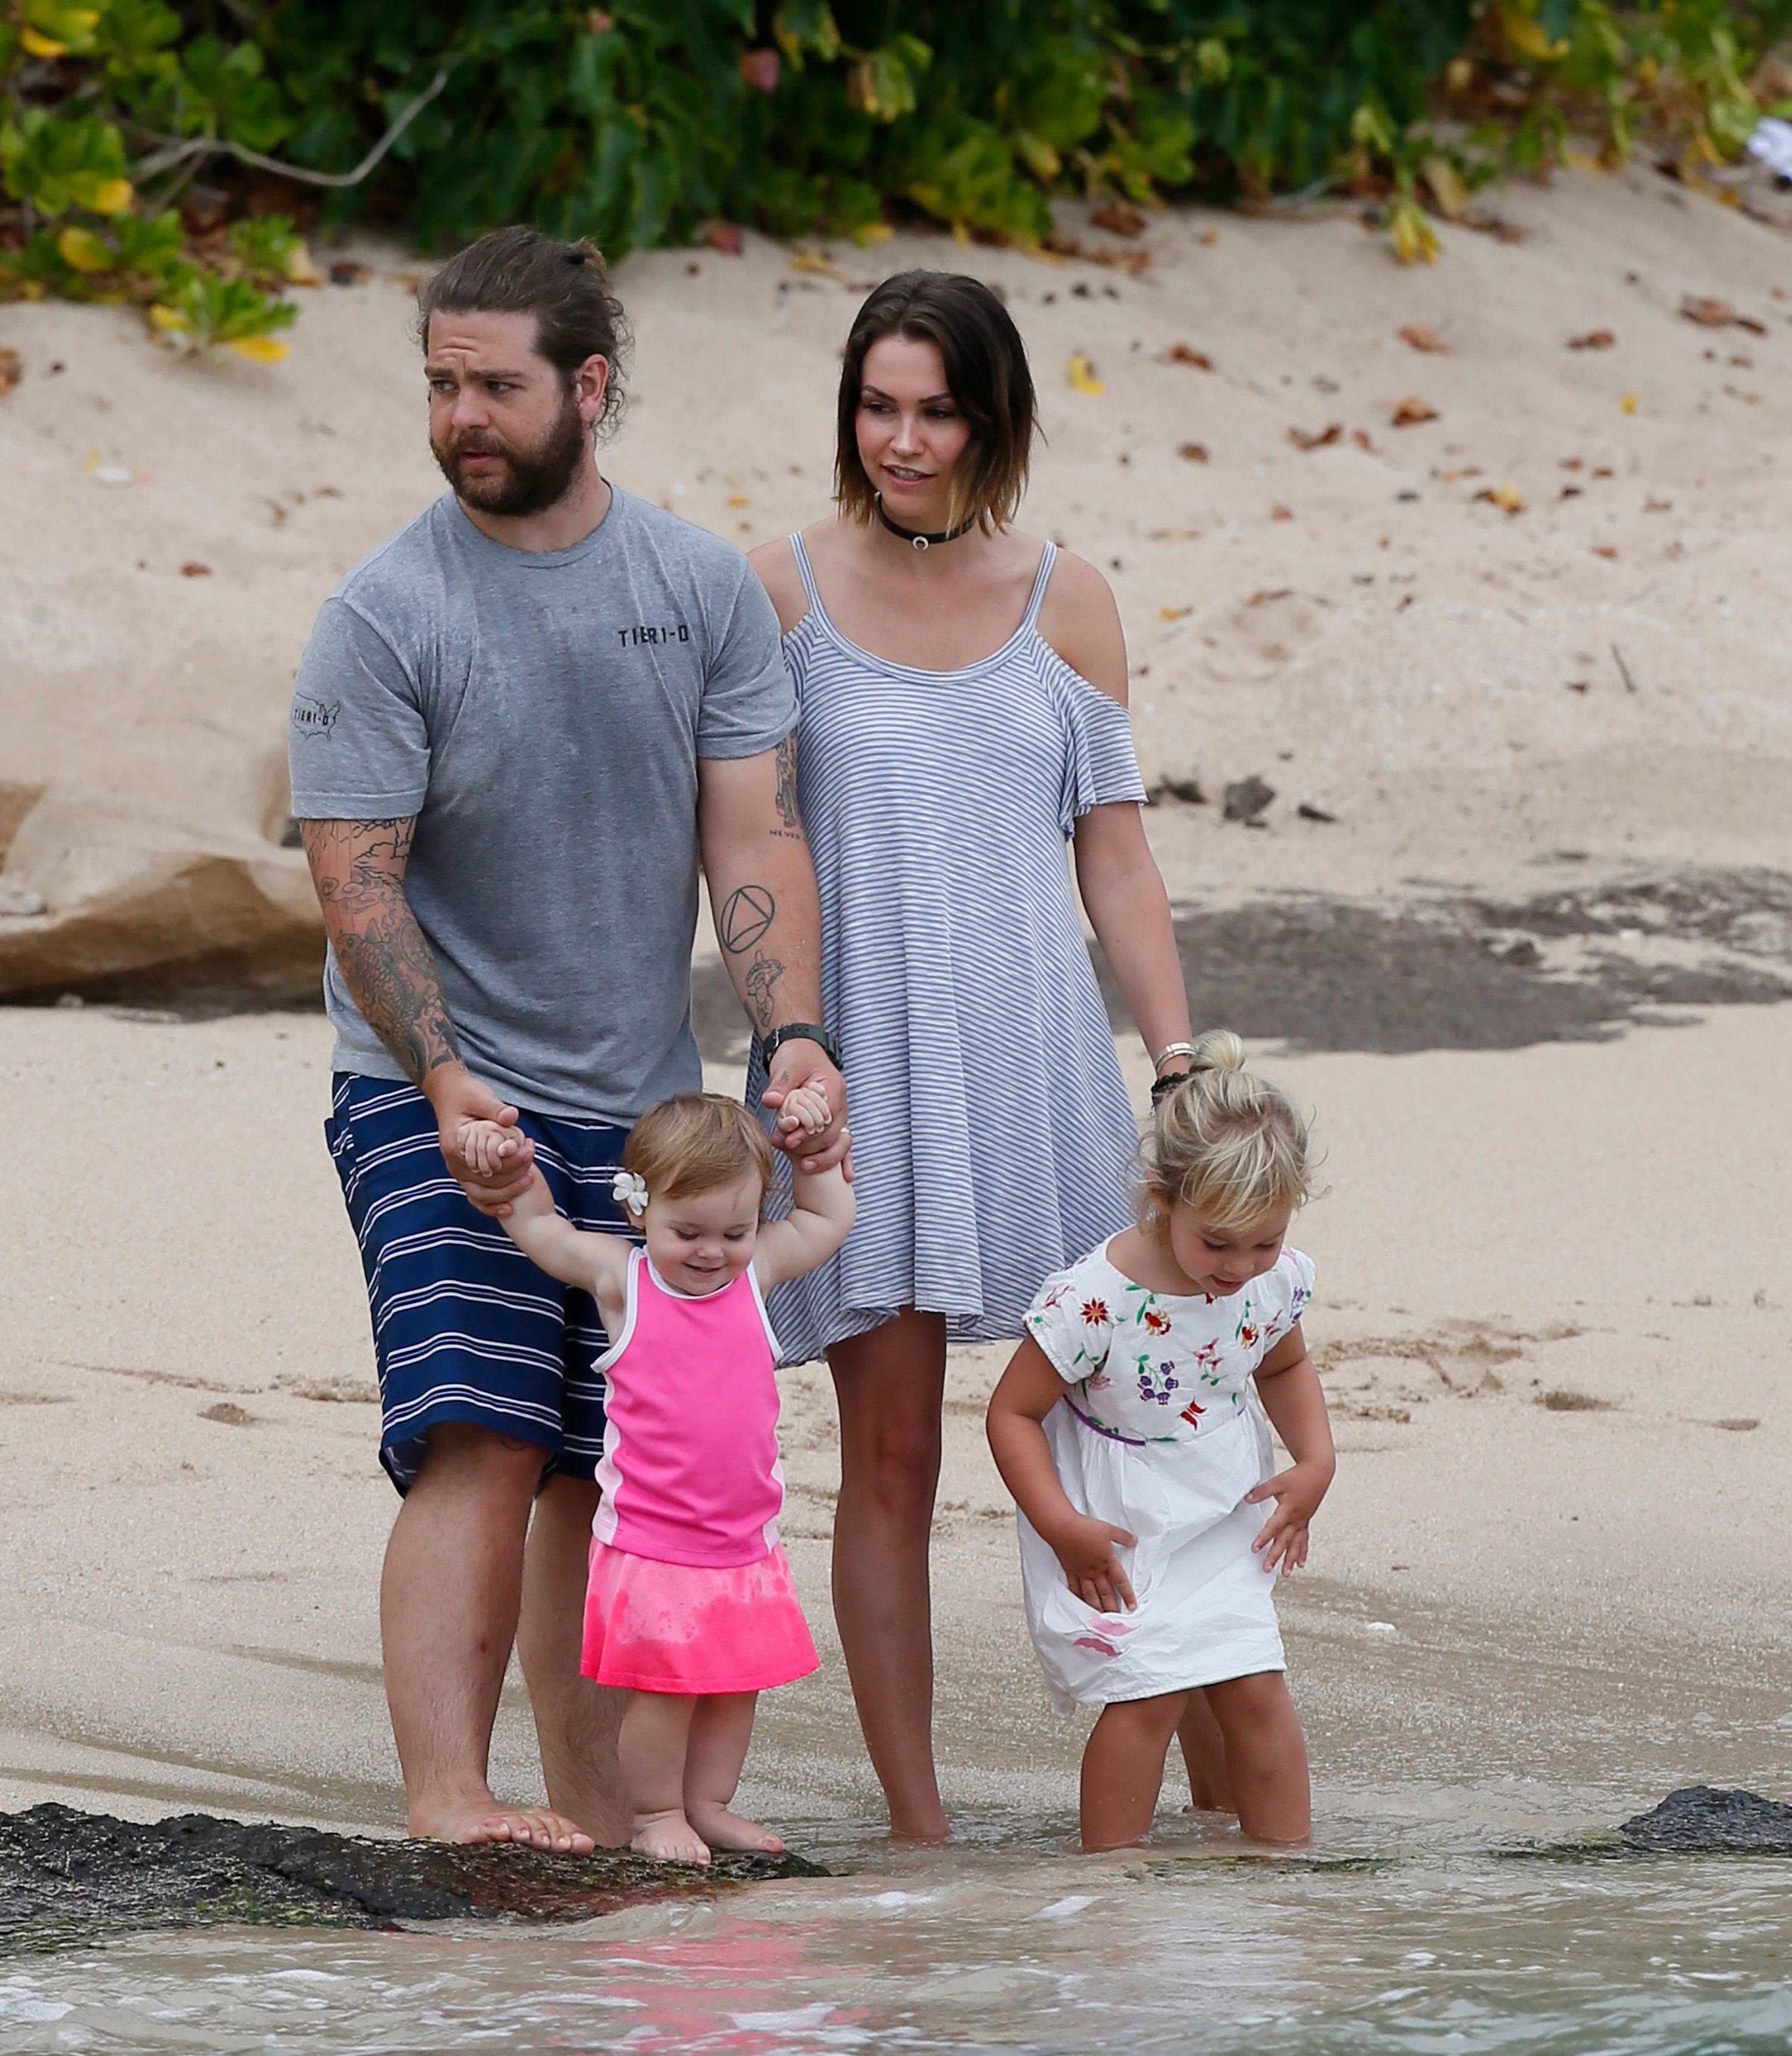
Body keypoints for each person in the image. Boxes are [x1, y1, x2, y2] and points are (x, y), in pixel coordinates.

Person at [290, 226, 848, 1855]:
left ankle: (609, 1826)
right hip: (425, 1079)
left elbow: (754, 842)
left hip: (642, 1104)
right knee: (480, 1424)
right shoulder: (383, 615)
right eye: (442, 383)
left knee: (610, 1473)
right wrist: (455, 1086)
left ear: (588, 386)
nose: (463, 413)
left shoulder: (695, 592)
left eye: (497, 383)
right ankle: (453, 1807)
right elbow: (359, 890)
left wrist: (792, 1042)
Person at [747, 269, 1199, 1842]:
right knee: (884, 1454)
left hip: (1038, 1072)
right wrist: (787, 1046)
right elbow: (750, 842)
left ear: (993, 417)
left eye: (937, 409)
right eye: (879, 405)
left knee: (1128, 1428)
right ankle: (919, 1824)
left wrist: (1181, 1061)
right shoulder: (783, 592)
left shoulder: (1066, 599)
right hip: (856, 1069)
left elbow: (1118, 863)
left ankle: (1205, 1789)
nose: (904, 438)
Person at [470, 1091, 854, 1864]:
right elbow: (544, 1231)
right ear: (641, 1208)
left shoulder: (756, 1274)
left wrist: (816, 1152)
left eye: (734, 1232)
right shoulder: (626, 1280)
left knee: (736, 1682)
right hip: (651, 1542)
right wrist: (515, 1177)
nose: (712, 1251)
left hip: (745, 1538)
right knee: (668, 1690)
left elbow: (826, 1219)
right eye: (689, 1232)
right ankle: (654, 1814)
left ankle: (708, 1803)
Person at [983, 1033, 1335, 1853]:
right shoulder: (1093, 1300)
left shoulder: (1267, 1283)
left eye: (1265, 1243)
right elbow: (1011, 1414)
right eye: (1217, 1243)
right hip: (1118, 1520)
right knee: (1146, 1692)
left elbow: (1285, 1363)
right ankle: (1108, 1891)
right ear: (1161, 1197)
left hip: (1224, 1501)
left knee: (1256, 1684)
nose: (1241, 1267)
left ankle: (1288, 1875)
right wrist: (1062, 1527)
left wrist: (1316, 1463)